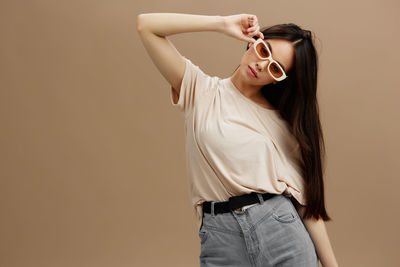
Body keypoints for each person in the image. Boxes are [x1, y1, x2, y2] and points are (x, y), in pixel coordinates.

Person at [137, 13, 339, 267]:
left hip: (281, 233)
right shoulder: (200, 90)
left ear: (279, 80)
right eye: (264, 50)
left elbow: (307, 206)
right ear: (255, 41)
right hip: (220, 238)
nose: (262, 64)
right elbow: (146, 25)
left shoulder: (283, 127)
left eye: (275, 68)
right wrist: (222, 25)